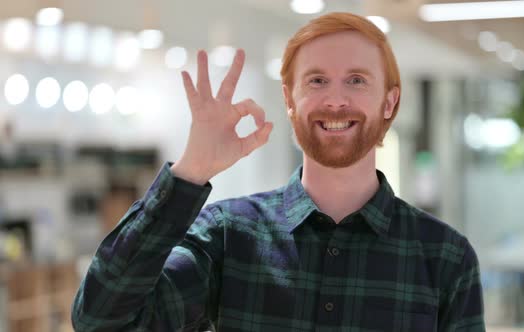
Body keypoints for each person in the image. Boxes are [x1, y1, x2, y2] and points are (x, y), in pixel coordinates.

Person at [72, 12, 485, 332]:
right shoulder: (227, 235)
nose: (336, 100)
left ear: (390, 103)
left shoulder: (445, 257)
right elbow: (102, 321)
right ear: (290, 99)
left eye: (357, 80)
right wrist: (191, 169)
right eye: (317, 80)